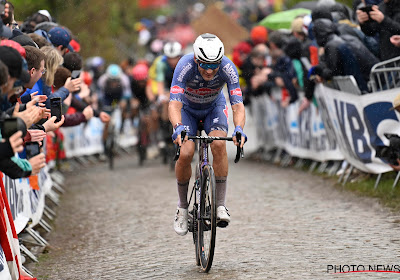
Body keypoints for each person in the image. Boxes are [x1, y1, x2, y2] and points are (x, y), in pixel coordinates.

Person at [169, 33, 247, 236]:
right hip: (187, 111)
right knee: (186, 153)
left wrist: (239, 129)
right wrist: (177, 126)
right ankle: (182, 208)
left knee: (219, 145)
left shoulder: (228, 67)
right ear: (196, 59)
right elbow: (174, 103)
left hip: (214, 108)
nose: (211, 70)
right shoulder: (184, 65)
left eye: (215, 65)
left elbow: (237, 105)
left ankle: (220, 205)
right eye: (205, 65)